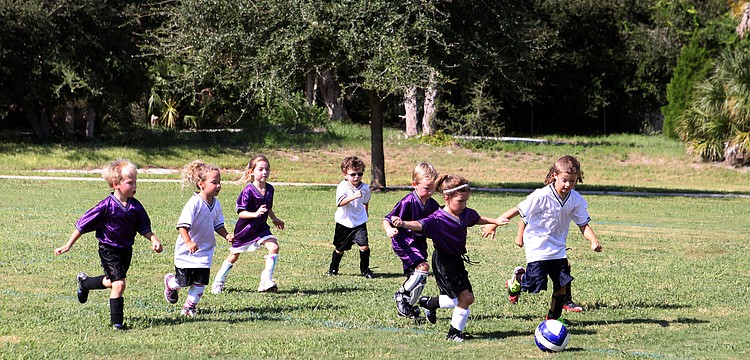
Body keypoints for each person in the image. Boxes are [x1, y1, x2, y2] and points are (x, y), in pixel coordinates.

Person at [482, 155, 602, 321]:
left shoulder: (575, 199)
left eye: (572, 181)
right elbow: (518, 209)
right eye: (564, 180)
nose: (568, 185)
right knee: (533, 284)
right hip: (537, 247)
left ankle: (552, 319)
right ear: (555, 176)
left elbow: (583, 224)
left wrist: (593, 241)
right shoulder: (541, 195)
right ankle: (517, 278)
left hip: (558, 249)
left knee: (562, 285)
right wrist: (494, 223)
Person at [391, 174, 509, 342]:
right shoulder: (437, 219)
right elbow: (419, 224)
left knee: (467, 298)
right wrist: (403, 223)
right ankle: (454, 333)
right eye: (460, 201)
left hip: (456, 260)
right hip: (444, 262)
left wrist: (495, 221)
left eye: (466, 201)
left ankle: (429, 303)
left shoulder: (464, 213)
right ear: (447, 198)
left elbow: (476, 219)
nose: (464, 205)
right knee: (464, 298)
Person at [54, 159, 163, 330]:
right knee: (119, 284)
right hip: (108, 249)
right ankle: (117, 324)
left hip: (126, 250)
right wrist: (68, 244)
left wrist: (154, 239)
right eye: (130, 182)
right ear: (116, 184)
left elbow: (143, 227)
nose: (135, 186)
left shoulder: (136, 206)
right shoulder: (106, 206)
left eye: (136, 182)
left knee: (111, 282)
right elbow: (82, 224)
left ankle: (85, 283)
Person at [164, 160, 233, 317]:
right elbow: (182, 226)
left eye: (219, 182)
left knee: (200, 282)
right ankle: (170, 283)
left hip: (205, 251)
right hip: (186, 252)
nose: (219, 186)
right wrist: (188, 242)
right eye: (214, 182)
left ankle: (189, 307)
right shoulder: (194, 203)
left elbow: (218, 225)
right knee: (183, 282)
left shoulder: (216, 204)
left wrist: (226, 235)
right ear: (201, 184)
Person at [211, 154, 285, 294]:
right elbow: (241, 213)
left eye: (267, 169)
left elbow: (267, 207)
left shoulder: (270, 189)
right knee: (234, 255)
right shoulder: (248, 190)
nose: (265, 172)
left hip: (261, 228)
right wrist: (255, 214)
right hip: (246, 229)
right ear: (252, 172)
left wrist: (274, 218)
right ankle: (218, 281)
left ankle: (266, 280)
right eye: (260, 169)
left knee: (274, 246)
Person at [383, 162, 440, 319]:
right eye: (426, 188)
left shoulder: (432, 204)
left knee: (419, 278)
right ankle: (401, 296)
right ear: (414, 184)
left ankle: (407, 307)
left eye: (433, 188)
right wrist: (390, 229)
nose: (430, 192)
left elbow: (437, 222)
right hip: (404, 242)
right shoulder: (407, 201)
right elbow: (387, 219)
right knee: (423, 267)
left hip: (419, 244)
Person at [328, 156, 374, 278]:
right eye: (353, 174)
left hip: (359, 223)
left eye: (360, 174)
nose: (356, 177)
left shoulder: (365, 188)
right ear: (345, 174)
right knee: (340, 249)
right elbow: (339, 203)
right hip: (344, 222)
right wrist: (353, 196)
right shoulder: (342, 186)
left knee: (364, 247)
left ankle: (365, 270)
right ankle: (333, 268)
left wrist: (365, 212)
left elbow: (365, 201)